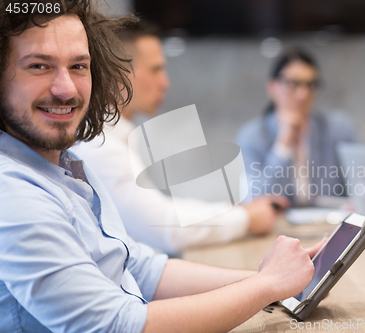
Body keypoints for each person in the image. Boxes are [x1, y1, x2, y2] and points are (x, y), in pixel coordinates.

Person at [0, 3, 325, 332]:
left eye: (79, 66)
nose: (66, 88)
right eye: (39, 66)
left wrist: (271, 281)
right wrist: (267, 284)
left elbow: (138, 266)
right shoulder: (13, 192)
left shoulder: (68, 165)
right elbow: (118, 326)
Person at [71, 20, 289, 255]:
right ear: (118, 74)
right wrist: (245, 218)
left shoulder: (116, 137)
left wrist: (239, 212)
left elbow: (163, 211)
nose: (165, 82)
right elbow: (166, 227)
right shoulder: (100, 146)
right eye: (156, 70)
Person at [237, 47, 357, 207]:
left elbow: (360, 190)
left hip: (330, 222)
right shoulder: (251, 136)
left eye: (311, 84)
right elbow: (256, 200)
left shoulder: (339, 129)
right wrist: (283, 145)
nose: (303, 94)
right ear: (272, 87)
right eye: (293, 84)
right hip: (278, 228)